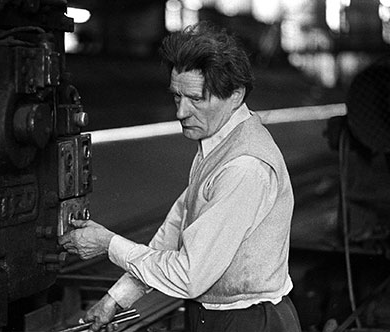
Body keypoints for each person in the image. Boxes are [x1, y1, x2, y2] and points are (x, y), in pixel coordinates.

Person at [59, 22, 301, 332]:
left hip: (249, 321)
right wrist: (114, 300)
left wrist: (108, 244)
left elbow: (188, 275)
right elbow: (174, 233)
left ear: (235, 95)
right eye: (177, 97)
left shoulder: (244, 167)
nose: (181, 112)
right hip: (216, 315)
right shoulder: (217, 144)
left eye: (196, 99)